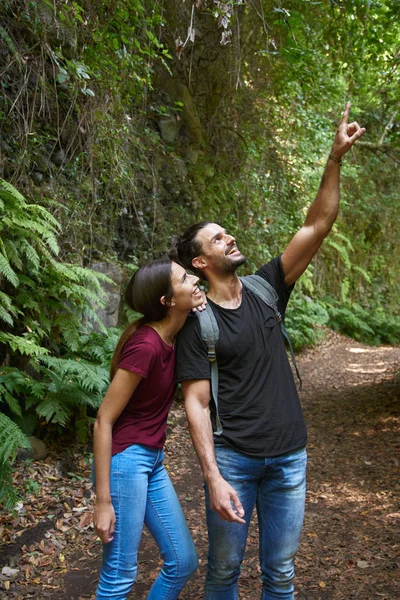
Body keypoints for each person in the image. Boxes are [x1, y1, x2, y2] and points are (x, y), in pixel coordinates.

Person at [168, 103, 366, 599]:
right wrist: (211, 477)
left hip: (290, 458)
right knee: (223, 572)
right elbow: (194, 402)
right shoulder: (198, 322)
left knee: (280, 574)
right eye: (218, 237)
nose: (229, 236)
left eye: (226, 231)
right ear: (200, 260)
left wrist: (334, 159)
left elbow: (317, 226)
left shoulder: (265, 288)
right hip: (234, 460)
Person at [93, 258, 204, 600]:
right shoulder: (146, 345)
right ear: (167, 300)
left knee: (183, 561)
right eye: (185, 277)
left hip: (152, 461)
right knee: (119, 576)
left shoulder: (176, 332)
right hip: (127, 461)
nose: (195, 278)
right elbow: (103, 420)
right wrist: (102, 500)